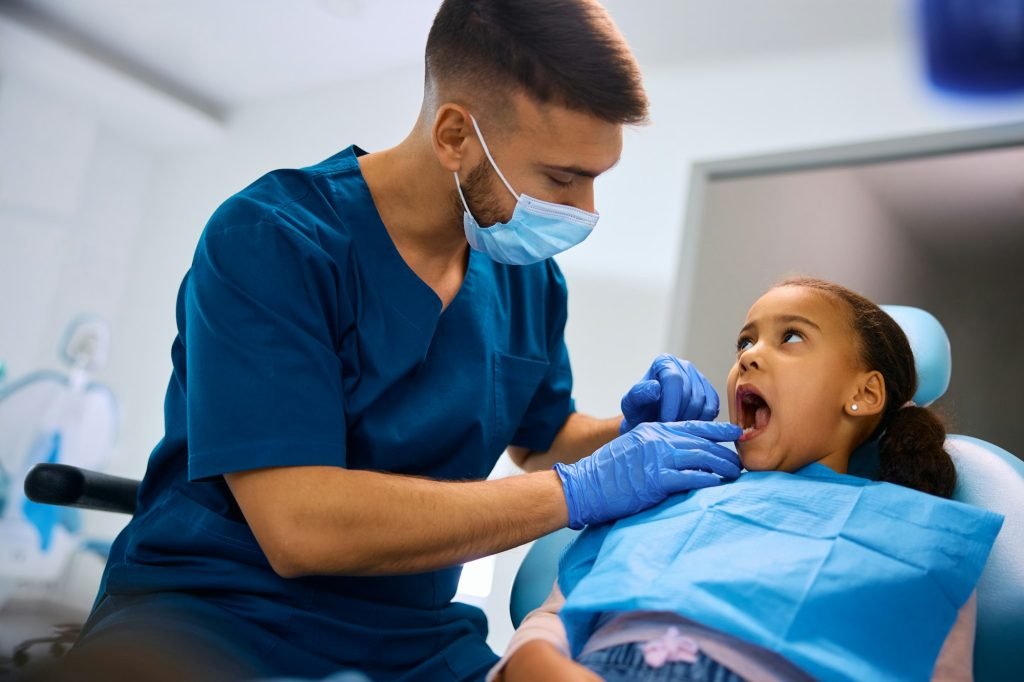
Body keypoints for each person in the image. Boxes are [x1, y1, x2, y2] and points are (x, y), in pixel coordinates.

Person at [66, 2, 745, 681]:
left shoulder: (528, 280)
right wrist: (580, 489)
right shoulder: (274, 239)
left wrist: (625, 437)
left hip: (412, 636)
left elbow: (541, 437)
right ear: (455, 135)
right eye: (563, 178)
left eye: (597, 179)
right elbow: (300, 525)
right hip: (216, 619)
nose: (586, 210)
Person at [492, 277, 1004, 682]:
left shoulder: (920, 538)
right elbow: (555, 615)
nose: (749, 355)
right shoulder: (662, 488)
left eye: (793, 336)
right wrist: (533, 659)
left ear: (864, 394)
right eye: (745, 339)